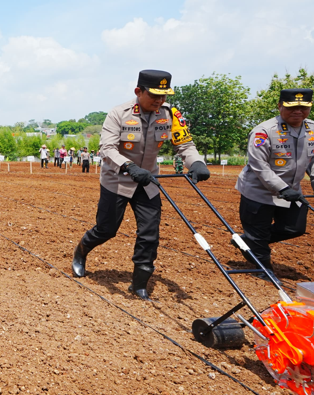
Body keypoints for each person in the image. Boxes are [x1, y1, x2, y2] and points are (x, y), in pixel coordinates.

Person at [71, 70, 209, 300]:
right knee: (106, 229)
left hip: (148, 181)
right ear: (138, 91)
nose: (160, 101)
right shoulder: (119, 113)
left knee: (149, 233)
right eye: (154, 95)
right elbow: (107, 148)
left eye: (164, 96)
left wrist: (196, 163)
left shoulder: (170, 114)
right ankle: (81, 251)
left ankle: (139, 281)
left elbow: (185, 144)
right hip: (118, 179)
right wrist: (129, 166)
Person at [233, 89, 314, 278]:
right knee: (259, 233)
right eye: (292, 107)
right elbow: (258, 165)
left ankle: (248, 241)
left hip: (291, 191)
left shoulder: (312, 129)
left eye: (303, 107)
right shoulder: (264, 131)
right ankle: (264, 269)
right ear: (280, 106)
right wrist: (282, 188)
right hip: (258, 192)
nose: (298, 111)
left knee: (295, 228)